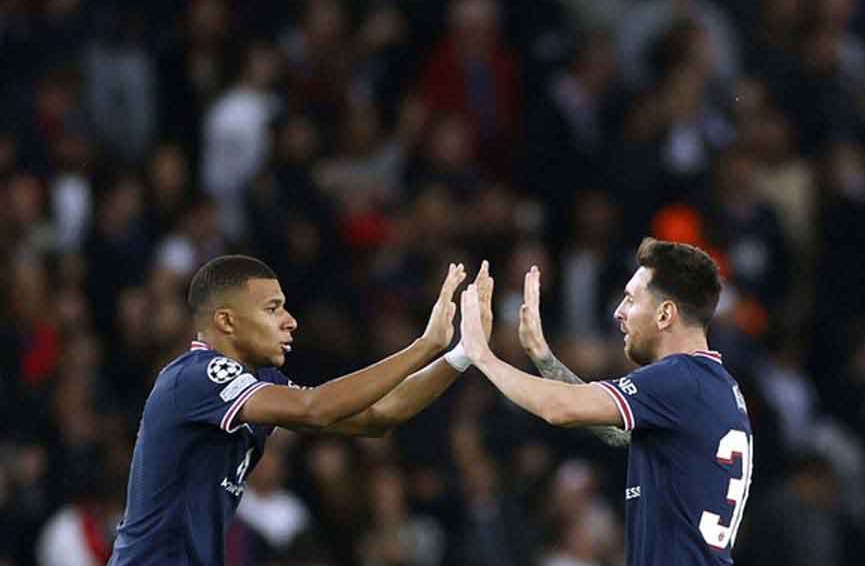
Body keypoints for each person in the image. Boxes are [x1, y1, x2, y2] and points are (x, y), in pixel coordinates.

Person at [109, 255, 494, 565]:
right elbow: (315, 408)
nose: (290, 321)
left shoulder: (261, 385)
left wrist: (461, 353)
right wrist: (423, 346)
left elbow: (380, 417)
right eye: (272, 309)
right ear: (226, 320)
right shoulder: (197, 375)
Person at [459, 238, 752, 565]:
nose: (619, 312)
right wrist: (544, 359)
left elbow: (560, 409)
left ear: (665, 313)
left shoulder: (679, 378)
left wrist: (482, 356)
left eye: (630, 299)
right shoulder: (713, 385)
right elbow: (614, 432)